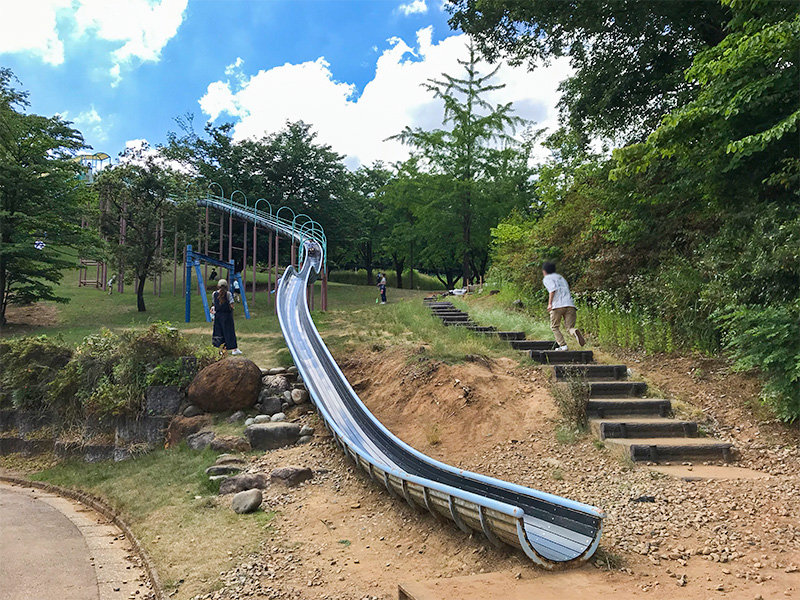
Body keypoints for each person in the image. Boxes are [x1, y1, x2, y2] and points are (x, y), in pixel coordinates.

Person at [542, 262, 585, 351]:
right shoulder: (561, 278)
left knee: (554, 326)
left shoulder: (547, 278)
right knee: (569, 328)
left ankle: (563, 346)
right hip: (570, 305)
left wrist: (549, 303)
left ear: (545, 271)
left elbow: (552, 290)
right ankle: (574, 331)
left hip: (557, 305)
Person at [210, 279, 242, 355]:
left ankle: (220, 349)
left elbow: (214, 304)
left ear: (218, 286)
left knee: (219, 332)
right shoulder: (228, 294)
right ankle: (234, 349)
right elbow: (231, 305)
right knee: (229, 332)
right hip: (227, 316)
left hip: (218, 316)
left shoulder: (214, 294)